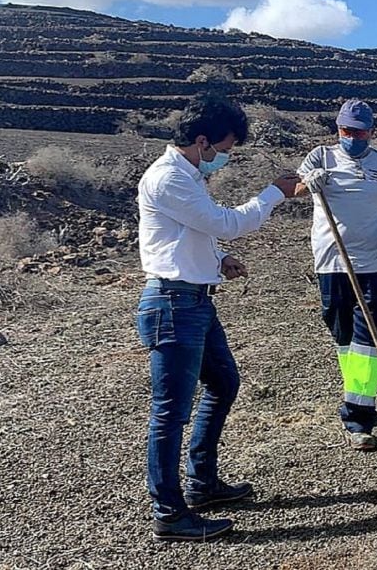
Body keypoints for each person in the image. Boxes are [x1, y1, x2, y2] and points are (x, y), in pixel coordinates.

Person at [135, 93, 303, 541]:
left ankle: (202, 483)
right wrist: (274, 193)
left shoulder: (187, 176)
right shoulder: (169, 178)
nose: (226, 156)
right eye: (225, 148)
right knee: (170, 412)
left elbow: (191, 231)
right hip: (174, 305)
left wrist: (218, 258)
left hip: (194, 301)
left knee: (223, 382)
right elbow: (225, 222)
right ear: (202, 141)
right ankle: (169, 513)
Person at [297, 99, 377, 451]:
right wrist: (309, 182)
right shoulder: (320, 156)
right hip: (332, 262)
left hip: (373, 263)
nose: (353, 138)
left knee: (374, 334)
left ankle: (359, 416)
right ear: (338, 129)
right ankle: (359, 393)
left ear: (371, 132)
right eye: (347, 131)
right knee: (343, 335)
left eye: (360, 132)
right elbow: (295, 187)